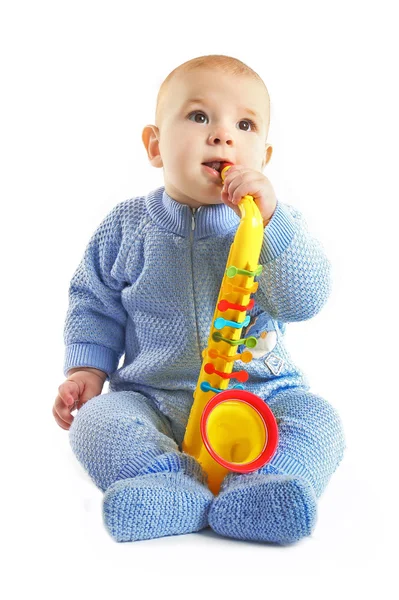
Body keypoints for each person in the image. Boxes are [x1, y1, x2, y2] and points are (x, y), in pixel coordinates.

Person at [53, 54, 345, 544]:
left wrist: (271, 227)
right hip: (154, 402)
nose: (223, 135)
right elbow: (93, 302)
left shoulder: (276, 226)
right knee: (95, 424)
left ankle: (258, 488)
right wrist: (87, 370)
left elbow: (306, 298)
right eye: (199, 116)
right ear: (155, 146)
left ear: (264, 158)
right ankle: (173, 485)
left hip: (261, 398)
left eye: (245, 124)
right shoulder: (126, 227)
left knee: (320, 421)